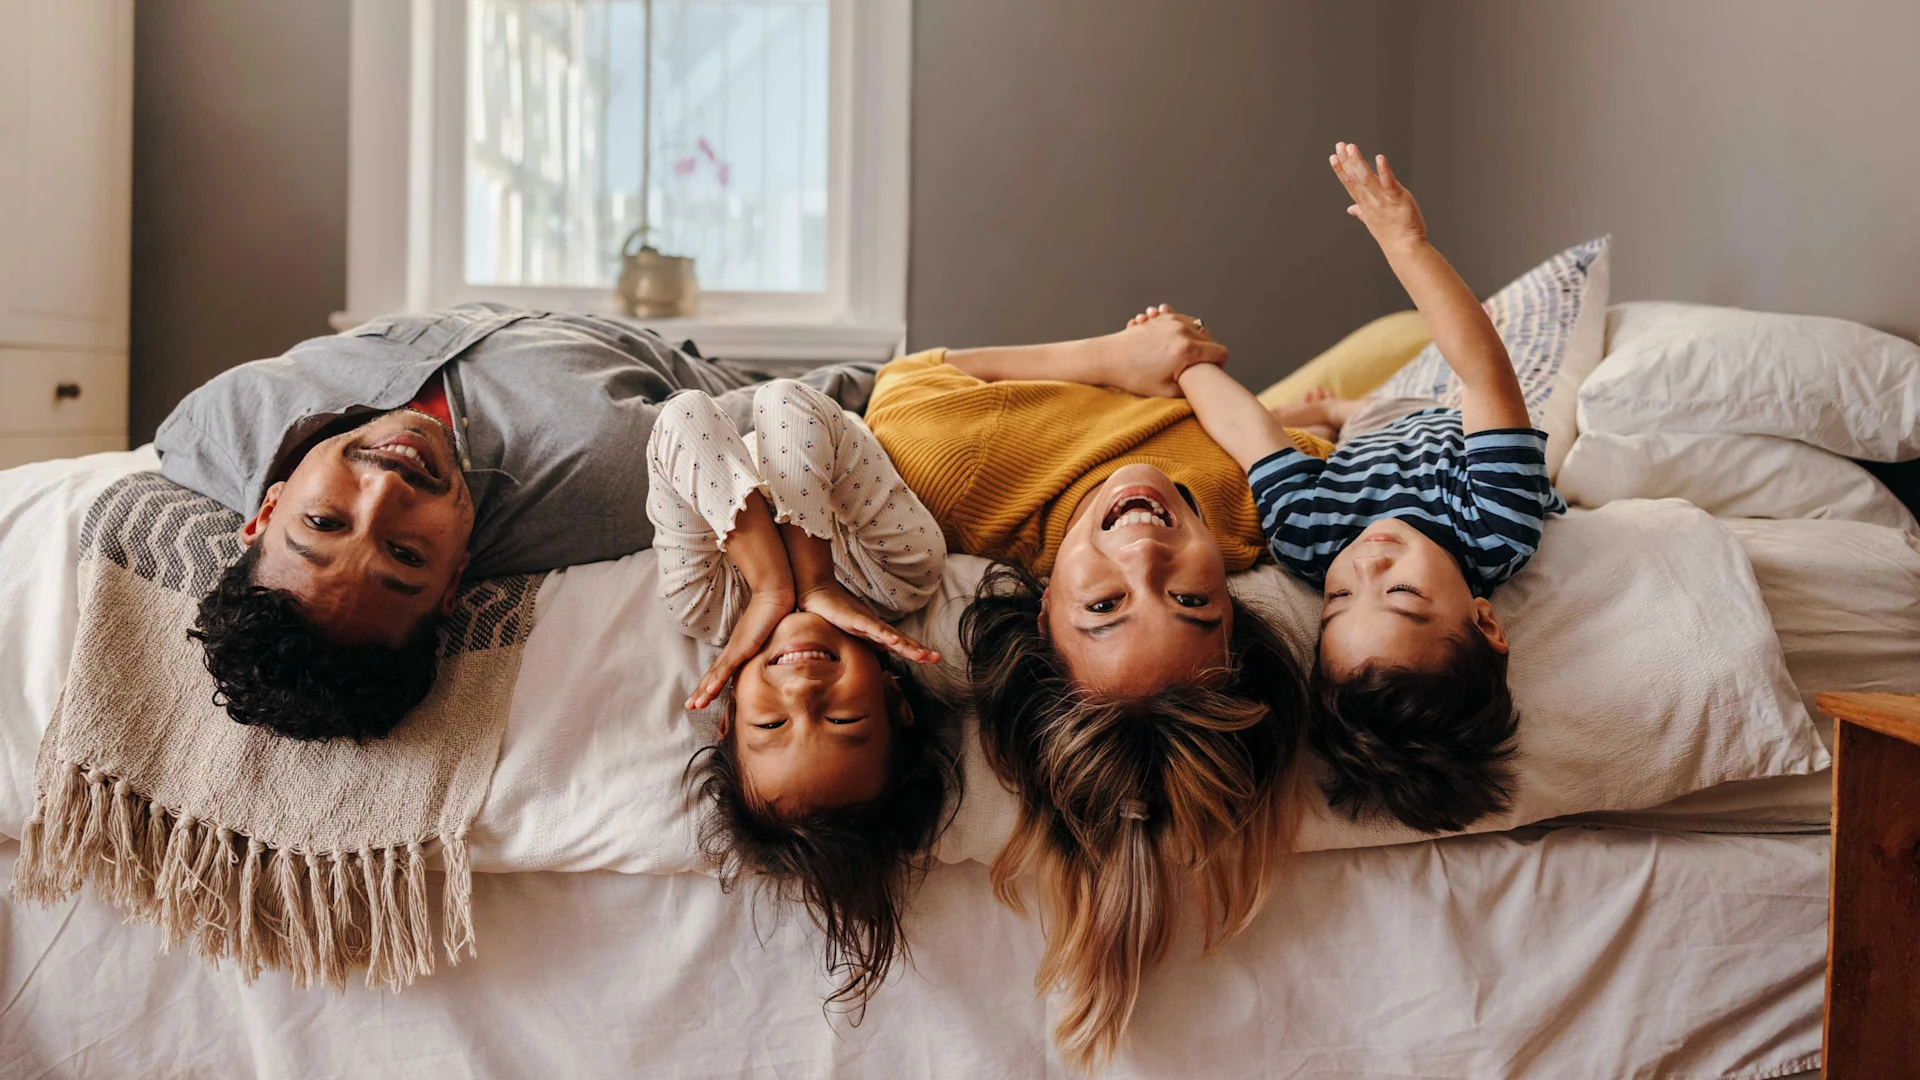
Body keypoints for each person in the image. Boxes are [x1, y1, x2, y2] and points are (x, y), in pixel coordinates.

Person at [862, 313, 1326, 1068]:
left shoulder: (969, 476)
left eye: (1105, 607)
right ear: (1235, 610)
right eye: (1191, 602)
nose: (1145, 553)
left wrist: (1111, 357)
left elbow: (903, 386)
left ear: (1043, 614)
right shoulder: (1259, 505)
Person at [155, 305, 875, 741]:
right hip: (654, 354)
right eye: (405, 554)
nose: (383, 491)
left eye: (322, 521)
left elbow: (181, 432)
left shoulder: (216, 424)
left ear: (266, 511)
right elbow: (823, 403)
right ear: (452, 586)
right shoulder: (609, 476)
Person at [1173, 142, 1566, 836]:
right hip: (1442, 410)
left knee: (1299, 420)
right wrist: (1405, 243)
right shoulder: (1499, 525)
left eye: (1339, 600)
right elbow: (1480, 373)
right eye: (1403, 595)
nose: (1366, 566)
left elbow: (1247, 433)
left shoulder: (1309, 540)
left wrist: (1186, 360)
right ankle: (1336, 411)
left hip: (1359, 441)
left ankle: (1332, 412)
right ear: (1484, 620)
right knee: (1404, 387)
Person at [644, 379, 954, 1013]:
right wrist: (811, 578)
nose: (804, 689)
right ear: (897, 700)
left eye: (771, 724)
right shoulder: (901, 573)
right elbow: (787, 401)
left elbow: (682, 417)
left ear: (727, 716)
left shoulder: (705, 603)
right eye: (842, 717)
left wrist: (763, 588)